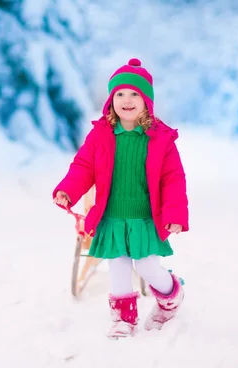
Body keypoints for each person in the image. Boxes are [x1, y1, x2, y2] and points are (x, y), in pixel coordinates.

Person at [52, 58, 189, 339]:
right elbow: (83, 166)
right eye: (120, 94)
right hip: (112, 216)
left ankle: (171, 297)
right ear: (111, 100)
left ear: (147, 101)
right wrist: (68, 190)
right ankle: (123, 320)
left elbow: (173, 179)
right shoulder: (101, 134)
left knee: (148, 266)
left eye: (134, 94)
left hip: (144, 218)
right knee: (118, 267)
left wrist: (175, 215)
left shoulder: (160, 139)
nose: (127, 100)